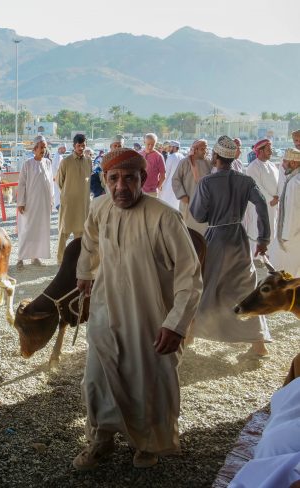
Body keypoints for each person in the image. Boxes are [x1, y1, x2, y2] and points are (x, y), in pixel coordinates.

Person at [73, 148, 202, 470]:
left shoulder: (164, 217)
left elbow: (191, 276)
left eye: (129, 178)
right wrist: (85, 272)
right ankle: (100, 440)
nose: (121, 186)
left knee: (148, 381)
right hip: (105, 309)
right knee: (96, 379)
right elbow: (88, 241)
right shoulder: (99, 207)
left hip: (150, 317)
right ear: (104, 180)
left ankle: (148, 444)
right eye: (113, 178)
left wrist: (175, 324)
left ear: (143, 179)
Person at [189, 136, 271, 357]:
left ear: (215, 157)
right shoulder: (245, 181)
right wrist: (263, 239)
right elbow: (262, 205)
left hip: (215, 238)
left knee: (204, 283)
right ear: (233, 156)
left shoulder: (207, 182)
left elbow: (197, 214)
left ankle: (190, 333)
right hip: (238, 239)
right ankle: (258, 343)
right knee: (245, 286)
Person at [16, 135, 53, 269]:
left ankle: (35, 257)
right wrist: (21, 202)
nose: (43, 149)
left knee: (40, 229)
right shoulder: (27, 164)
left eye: (45, 147)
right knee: (26, 229)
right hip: (30, 203)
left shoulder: (48, 163)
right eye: (41, 147)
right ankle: (20, 258)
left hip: (43, 203)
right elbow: (21, 184)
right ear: (35, 148)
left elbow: (50, 184)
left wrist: (51, 199)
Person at [56, 133, 91, 264]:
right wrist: (69, 193)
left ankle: (79, 259)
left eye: (83, 145)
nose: (81, 148)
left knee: (81, 232)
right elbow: (59, 182)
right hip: (69, 203)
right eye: (79, 145)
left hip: (83, 203)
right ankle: (60, 259)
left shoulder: (89, 161)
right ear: (74, 145)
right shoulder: (66, 161)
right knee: (64, 231)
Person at [270, 148, 300, 276]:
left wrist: (286, 237)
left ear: (294, 163)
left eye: (285, 162)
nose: (282, 165)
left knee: (288, 272)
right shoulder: (294, 179)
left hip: (292, 236)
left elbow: (292, 213)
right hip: (294, 234)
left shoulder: (295, 183)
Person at [171, 138, 212, 234]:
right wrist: (182, 195)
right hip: (188, 202)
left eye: (206, 148)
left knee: (203, 232)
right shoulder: (184, 162)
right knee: (188, 232)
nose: (205, 151)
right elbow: (175, 180)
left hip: (204, 204)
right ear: (195, 150)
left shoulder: (209, 163)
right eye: (202, 149)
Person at [245, 138, 279, 250]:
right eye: (268, 149)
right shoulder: (253, 166)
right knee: (258, 229)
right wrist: (270, 199)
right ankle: (258, 258)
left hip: (274, 205)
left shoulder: (272, 165)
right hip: (261, 205)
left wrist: (277, 197)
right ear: (260, 151)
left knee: (272, 229)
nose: (271, 152)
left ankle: (269, 254)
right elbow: (256, 186)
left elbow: (278, 182)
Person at [140, 133, 166, 197]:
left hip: (152, 192)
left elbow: (163, 175)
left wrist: (157, 187)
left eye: (153, 144)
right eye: (148, 144)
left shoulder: (158, 156)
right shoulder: (139, 155)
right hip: (139, 190)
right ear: (144, 142)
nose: (150, 147)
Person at [160, 140, 184, 209]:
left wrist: (162, 185)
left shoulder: (171, 157)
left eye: (170, 147)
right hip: (180, 186)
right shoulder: (183, 157)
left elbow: (166, 173)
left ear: (174, 147)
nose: (169, 148)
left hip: (169, 186)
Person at [51, 144, 66, 210]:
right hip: (57, 178)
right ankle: (58, 206)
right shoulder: (57, 156)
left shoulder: (59, 156)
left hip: (58, 177)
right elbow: (58, 168)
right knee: (58, 193)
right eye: (63, 148)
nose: (65, 150)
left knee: (59, 193)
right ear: (60, 148)